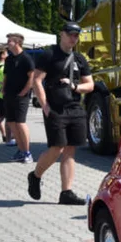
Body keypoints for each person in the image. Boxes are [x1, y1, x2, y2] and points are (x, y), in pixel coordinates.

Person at [28, 22, 93, 205]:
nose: (74, 38)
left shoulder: (79, 58)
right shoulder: (49, 54)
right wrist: (45, 106)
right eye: (71, 34)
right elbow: (37, 80)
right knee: (57, 147)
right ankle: (35, 175)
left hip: (75, 108)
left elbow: (90, 84)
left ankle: (66, 192)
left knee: (70, 150)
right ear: (62, 34)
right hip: (55, 108)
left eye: (77, 35)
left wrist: (75, 86)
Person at [3, 33, 35, 163]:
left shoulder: (26, 58)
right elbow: (6, 76)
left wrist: (24, 91)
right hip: (9, 94)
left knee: (20, 123)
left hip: (21, 96)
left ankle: (27, 152)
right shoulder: (9, 59)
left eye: (9, 41)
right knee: (11, 122)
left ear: (17, 43)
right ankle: (21, 150)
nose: (7, 43)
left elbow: (31, 77)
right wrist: (3, 89)